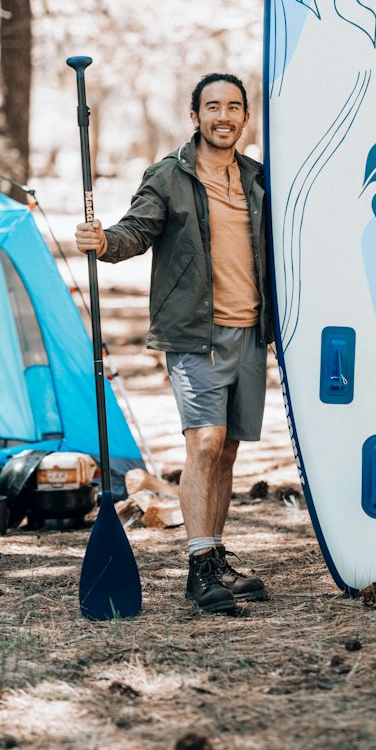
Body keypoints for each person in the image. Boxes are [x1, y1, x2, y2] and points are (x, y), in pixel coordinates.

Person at [75, 72, 274, 614]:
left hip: (251, 332)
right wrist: (105, 241)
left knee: (228, 449)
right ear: (195, 117)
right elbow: (136, 231)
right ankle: (197, 568)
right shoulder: (168, 176)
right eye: (213, 106)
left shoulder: (258, 178)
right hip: (195, 334)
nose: (224, 116)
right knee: (204, 442)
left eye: (234, 107)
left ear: (244, 117)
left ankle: (215, 560)